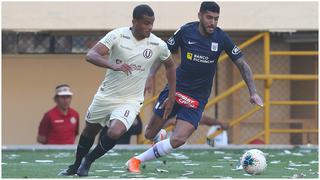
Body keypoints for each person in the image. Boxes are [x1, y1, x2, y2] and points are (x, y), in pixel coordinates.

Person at [126, 1, 263, 173]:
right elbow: (164, 54)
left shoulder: (221, 38)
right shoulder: (186, 31)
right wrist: (151, 75)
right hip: (175, 90)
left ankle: (136, 161)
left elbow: (242, 64)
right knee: (149, 133)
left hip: (197, 97)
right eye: (209, 17)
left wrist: (253, 92)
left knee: (178, 139)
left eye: (216, 19)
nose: (212, 22)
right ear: (199, 15)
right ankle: (158, 135)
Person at [59, 4, 176, 177]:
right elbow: (91, 55)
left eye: (152, 23)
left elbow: (170, 66)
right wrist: (114, 65)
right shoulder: (118, 35)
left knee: (116, 131)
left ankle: (88, 161)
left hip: (131, 99)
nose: (149, 27)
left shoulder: (157, 44)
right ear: (134, 22)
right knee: (89, 131)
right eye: (145, 23)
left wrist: (171, 94)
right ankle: (76, 165)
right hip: (106, 95)